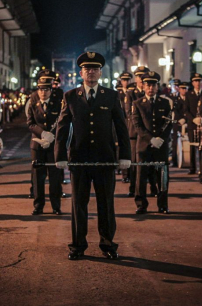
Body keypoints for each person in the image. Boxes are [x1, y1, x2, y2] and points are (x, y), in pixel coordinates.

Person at [54, 51, 130, 261]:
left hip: (105, 158)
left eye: (95, 69)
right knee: (79, 204)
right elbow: (62, 128)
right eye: (87, 69)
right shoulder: (70, 96)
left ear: (100, 72)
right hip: (79, 158)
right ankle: (77, 245)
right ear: (81, 72)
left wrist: (124, 155)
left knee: (106, 203)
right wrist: (60, 155)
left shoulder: (111, 96)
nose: (91, 72)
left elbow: (121, 128)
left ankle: (108, 244)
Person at [132, 71, 172, 214]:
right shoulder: (137, 103)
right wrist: (151, 139)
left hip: (160, 145)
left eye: (153, 85)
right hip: (144, 146)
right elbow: (138, 126)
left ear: (157, 87)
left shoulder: (165, 102)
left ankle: (162, 205)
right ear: (143, 86)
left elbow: (168, 123)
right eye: (148, 85)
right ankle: (141, 205)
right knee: (141, 176)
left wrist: (160, 139)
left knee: (162, 176)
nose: (150, 88)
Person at [27, 77, 63, 215]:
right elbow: (30, 123)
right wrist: (43, 134)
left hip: (53, 145)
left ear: (50, 91)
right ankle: (38, 206)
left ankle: (56, 206)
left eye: (46, 89)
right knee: (38, 177)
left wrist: (51, 136)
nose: (43, 92)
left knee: (54, 177)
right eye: (41, 89)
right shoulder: (33, 104)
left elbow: (61, 121)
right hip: (37, 145)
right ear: (38, 90)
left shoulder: (57, 104)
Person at [125, 66, 150, 197]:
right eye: (139, 76)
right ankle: (133, 188)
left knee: (150, 162)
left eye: (143, 76)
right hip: (135, 133)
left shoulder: (150, 92)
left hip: (149, 133)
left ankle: (153, 187)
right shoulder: (130, 93)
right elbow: (129, 113)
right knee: (135, 163)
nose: (140, 79)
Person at [184, 73, 202, 175]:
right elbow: (186, 110)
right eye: (196, 81)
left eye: (199, 81)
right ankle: (192, 167)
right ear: (193, 83)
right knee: (193, 147)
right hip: (192, 124)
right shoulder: (188, 94)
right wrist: (193, 119)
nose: (198, 83)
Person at [118, 71, 132, 183]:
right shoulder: (117, 93)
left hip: (130, 123)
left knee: (131, 149)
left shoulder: (133, 92)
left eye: (127, 80)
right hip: (121, 122)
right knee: (121, 148)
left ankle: (131, 173)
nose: (126, 82)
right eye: (124, 80)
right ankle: (124, 174)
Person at [172, 81, 189, 167]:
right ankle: (175, 161)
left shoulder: (189, 98)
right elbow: (175, 110)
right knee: (175, 141)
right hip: (177, 122)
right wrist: (180, 119)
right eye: (182, 88)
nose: (184, 90)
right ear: (179, 89)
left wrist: (185, 119)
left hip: (187, 121)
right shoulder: (175, 99)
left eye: (185, 88)